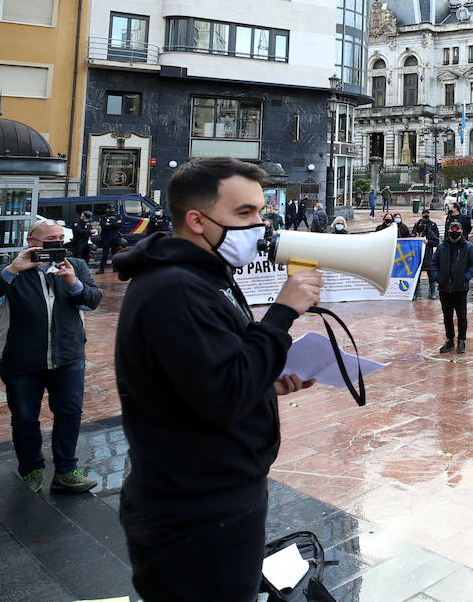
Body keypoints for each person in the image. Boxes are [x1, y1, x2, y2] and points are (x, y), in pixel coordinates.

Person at [113, 158, 323, 600]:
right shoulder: (178, 290)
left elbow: (211, 376)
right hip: (196, 512)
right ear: (196, 220)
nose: (259, 225)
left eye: (260, 213)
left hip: (210, 494)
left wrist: (265, 380)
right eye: (245, 214)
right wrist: (283, 313)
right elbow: (224, 394)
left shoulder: (200, 278)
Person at [0, 219, 101, 493]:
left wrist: (73, 283)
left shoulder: (76, 266)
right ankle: (31, 470)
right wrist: (11, 271)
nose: (57, 245)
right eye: (50, 241)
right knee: (24, 417)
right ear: (31, 242)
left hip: (67, 357)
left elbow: (92, 301)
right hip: (21, 360)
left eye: (60, 239)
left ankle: (67, 470)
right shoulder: (7, 271)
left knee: (69, 413)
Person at [432, 221, 473, 354]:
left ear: (461, 231)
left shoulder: (468, 247)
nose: (454, 231)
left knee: (461, 315)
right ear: (448, 231)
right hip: (444, 287)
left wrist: (466, 277)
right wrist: (437, 277)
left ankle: (462, 340)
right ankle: (449, 339)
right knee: (447, 316)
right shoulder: (442, 247)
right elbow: (434, 263)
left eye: (456, 229)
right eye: (452, 229)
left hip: (460, 288)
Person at [97, 206, 124, 274]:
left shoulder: (117, 216)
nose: (110, 210)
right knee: (104, 254)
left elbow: (120, 225)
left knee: (114, 253)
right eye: (109, 209)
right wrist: (114, 225)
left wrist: (110, 224)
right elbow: (104, 226)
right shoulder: (103, 217)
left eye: (111, 209)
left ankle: (115, 268)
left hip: (115, 237)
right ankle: (101, 269)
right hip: (106, 237)